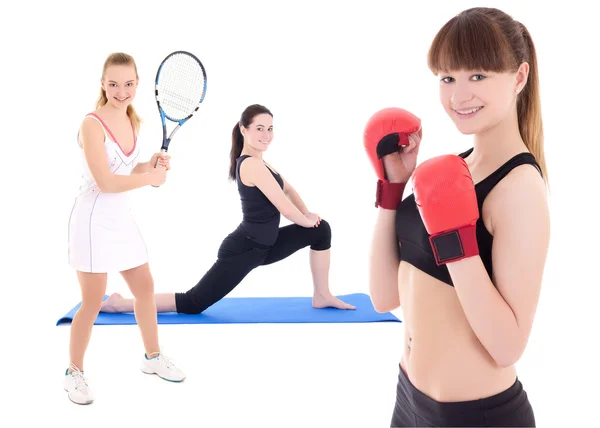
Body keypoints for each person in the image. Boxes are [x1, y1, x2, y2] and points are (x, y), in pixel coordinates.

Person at [364, 7, 550, 427]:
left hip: (475, 416)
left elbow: (508, 346)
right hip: (408, 399)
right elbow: (383, 297)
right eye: (448, 78)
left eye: (478, 76)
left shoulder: (519, 188)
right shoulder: (449, 173)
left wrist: (456, 241)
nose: (458, 95)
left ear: (519, 77)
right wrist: (393, 189)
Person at [101, 104, 355, 315]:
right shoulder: (250, 165)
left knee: (321, 231)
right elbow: (284, 208)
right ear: (244, 130)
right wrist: (303, 219)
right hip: (244, 250)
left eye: (270, 129)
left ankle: (322, 294)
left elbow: (289, 190)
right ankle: (119, 304)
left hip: (267, 246)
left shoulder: (262, 163)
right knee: (193, 303)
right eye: (259, 129)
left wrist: (308, 214)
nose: (266, 134)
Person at [65, 52, 186, 405]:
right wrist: (151, 178)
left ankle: (152, 358)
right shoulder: (91, 124)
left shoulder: (134, 121)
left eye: (129, 84)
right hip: (91, 222)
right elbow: (103, 181)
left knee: (145, 286)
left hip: (121, 219)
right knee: (91, 300)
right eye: (114, 84)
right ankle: (73, 372)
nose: (122, 91)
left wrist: (149, 166)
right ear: (103, 84)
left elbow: (127, 172)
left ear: (137, 84)